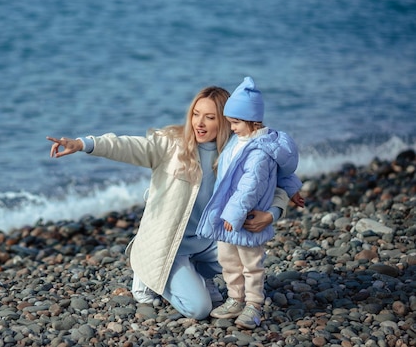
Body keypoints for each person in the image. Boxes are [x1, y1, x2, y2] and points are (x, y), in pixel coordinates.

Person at [47, 85, 298, 320]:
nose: (199, 123)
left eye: (209, 117)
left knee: (243, 261)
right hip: (171, 244)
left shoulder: (237, 151)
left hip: (210, 240)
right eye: (196, 114)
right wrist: (83, 144)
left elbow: (271, 181)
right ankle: (148, 274)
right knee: (199, 309)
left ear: (226, 120)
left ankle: (199, 274)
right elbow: (126, 146)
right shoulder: (171, 145)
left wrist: (273, 213)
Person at [196, 76, 303, 329]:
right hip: (229, 218)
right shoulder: (238, 140)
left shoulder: (259, 152)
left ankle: (253, 305)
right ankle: (235, 298)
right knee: (228, 262)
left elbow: (249, 188)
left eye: (235, 122)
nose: (230, 127)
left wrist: (234, 214)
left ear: (252, 121)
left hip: (246, 218)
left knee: (252, 265)